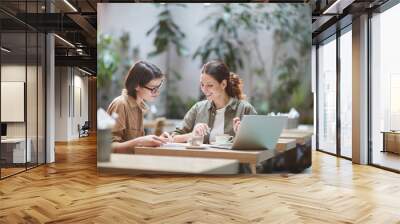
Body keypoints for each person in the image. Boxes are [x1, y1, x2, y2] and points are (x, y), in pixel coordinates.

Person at [172, 60, 257, 144]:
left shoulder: (245, 109)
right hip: (204, 158)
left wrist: (243, 136)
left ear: (223, 84)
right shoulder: (198, 108)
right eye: (202, 84)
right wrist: (192, 134)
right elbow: (173, 137)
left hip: (234, 158)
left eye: (210, 85)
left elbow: (261, 144)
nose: (204, 90)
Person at [107, 60, 171, 153]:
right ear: (137, 85)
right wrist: (140, 141)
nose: (157, 93)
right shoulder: (120, 104)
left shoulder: (139, 106)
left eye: (159, 86)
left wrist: (157, 140)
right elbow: (109, 147)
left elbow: (134, 143)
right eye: (153, 89)